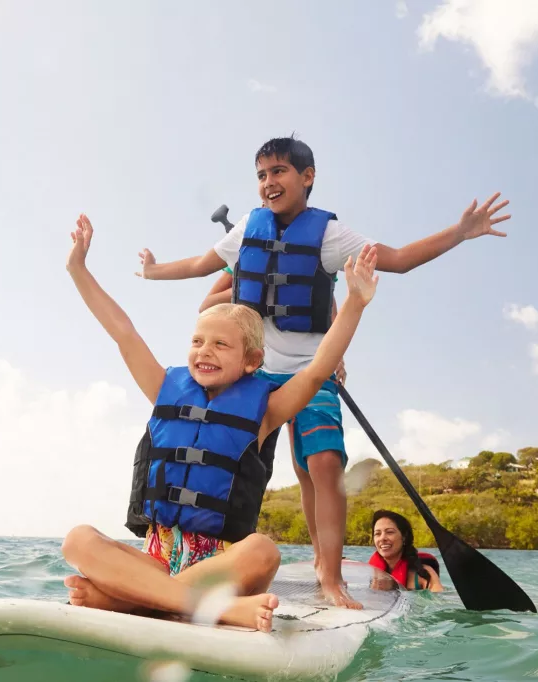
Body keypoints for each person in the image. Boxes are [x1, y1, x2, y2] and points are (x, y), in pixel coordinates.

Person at [135, 135, 511, 609]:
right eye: (262, 175)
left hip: (310, 372)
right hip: (251, 376)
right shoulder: (247, 229)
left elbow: (398, 261)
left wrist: (460, 232)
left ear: (307, 177)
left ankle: (329, 576)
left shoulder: (330, 235)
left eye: (279, 172)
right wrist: (152, 271)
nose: (269, 183)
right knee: (244, 464)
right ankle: (199, 565)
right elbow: (197, 264)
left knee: (324, 465)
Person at [60, 213, 381, 632]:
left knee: (264, 551)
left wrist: (354, 303)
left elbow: (317, 370)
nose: (204, 351)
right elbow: (123, 331)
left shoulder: (265, 409)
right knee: (78, 540)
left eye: (220, 344)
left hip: (225, 567)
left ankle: (131, 599)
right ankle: (205, 608)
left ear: (251, 362)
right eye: (197, 342)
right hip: (157, 560)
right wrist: (77, 269)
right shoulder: (164, 387)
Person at [368, 510, 444, 592]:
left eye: (389, 532)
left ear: (404, 537)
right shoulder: (370, 573)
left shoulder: (424, 573)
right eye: (377, 534)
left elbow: (440, 602)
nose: (382, 538)